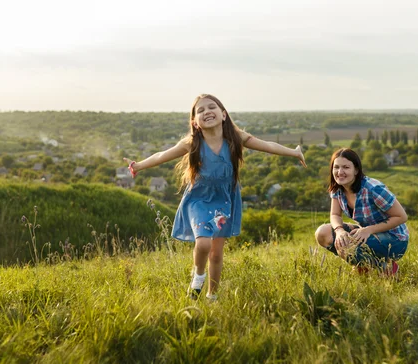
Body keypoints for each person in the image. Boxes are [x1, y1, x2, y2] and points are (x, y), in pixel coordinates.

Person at [124, 94, 306, 300]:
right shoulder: (192, 142)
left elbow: (269, 145)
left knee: (217, 254)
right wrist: (138, 165)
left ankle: (212, 296)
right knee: (203, 244)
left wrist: (295, 152)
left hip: (224, 200)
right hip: (199, 199)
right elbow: (161, 155)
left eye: (212, 107)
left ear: (224, 114)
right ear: (195, 122)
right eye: (200, 110)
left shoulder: (236, 138)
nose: (207, 111)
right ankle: (198, 276)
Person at [314, 148, 409, 274]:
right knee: (323, 233)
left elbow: (401, 217)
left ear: (356, 170)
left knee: (349, 246)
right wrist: (339, 231)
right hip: (366, 233)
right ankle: (364, 265)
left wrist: (369, 230)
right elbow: (335, 214)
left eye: (346, 167)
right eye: (336, 167)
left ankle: (384, 268)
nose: (340, 172)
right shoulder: (337, 188)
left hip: (395, 239)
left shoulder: (374, 189)